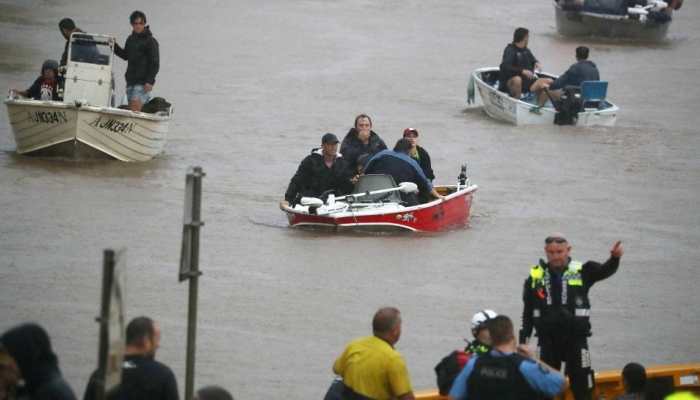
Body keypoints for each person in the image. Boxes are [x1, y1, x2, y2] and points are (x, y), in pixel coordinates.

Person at [520, 234, 624, 400]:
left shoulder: (583, 271)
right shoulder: (535, 277)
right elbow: (527, 313)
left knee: (582, 386)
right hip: (547, 341)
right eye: (551, 252)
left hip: (576, 340)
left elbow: (605, 270)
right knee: (542, 389)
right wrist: (523, 342)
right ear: (546, 252)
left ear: (568, 250)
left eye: (559, 252)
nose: (555, 256)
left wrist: (615, 258)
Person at [448, 315, 565, 400]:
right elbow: (562, 384)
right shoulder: (525, 367)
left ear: (492, 339)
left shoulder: (473, 364)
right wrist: (534, 358)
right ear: (512, 336)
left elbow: (454, 396)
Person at [83, 316, 179, 400]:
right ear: (146, 341)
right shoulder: (163, 376)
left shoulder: (101, 374)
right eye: (157, 339)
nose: (158, 345)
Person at [332, 307, 415, 400]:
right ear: (395, 331)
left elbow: (336, 369)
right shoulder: (393, 359)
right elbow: (406, 397)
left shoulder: (355, 345)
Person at [0, 323, 77, 400]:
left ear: (21, 357)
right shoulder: (43, 387)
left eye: (4, 357)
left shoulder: (50, 393)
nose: (4, 365)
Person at [434, 310, 498, 395]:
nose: (494, 332)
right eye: (488, 328)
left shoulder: (503, 350)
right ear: (476, 331)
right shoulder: (471, 355)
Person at [364, 138, 444, 204]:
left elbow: (365, 170)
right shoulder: (412, 162)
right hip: (398, 200)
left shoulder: (381, 154)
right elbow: (425, 184)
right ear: (409, 150)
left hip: (372, 195)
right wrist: (437, 195)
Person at [282, 133, 353, 206]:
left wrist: (352, 181)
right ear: (323, 146)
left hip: (334, 200)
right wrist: (287, 199)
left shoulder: (342, 163)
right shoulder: (310, 161)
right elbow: (297, 180)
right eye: (330, 144)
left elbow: (347, 183)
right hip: (311, 199)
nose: (333, 147)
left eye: (335, 144)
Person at [114, 11, 160, 112]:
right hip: (131, 81)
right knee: (132, 110)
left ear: (144, 23)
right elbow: (125, 55)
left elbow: (155, 63)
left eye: (141, 23)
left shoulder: (150, 41)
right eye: (136, 23)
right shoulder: (130, 39)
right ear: (132, 24)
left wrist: (150, 81)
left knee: (135, 108)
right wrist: (114, 46)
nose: (138, 26)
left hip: (143, 82)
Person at [499, 27, 552, 100]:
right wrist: (522, 71)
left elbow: (533, 59)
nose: (528, 39)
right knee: (518, 80)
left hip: (528, 83)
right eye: (528, 37)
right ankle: (516, 101)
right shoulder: (510, 50)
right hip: (511, 83)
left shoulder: (526, 50)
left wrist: (537, 63)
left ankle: (538, 107)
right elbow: (504, 66)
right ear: (524, 38)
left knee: (549, 81)